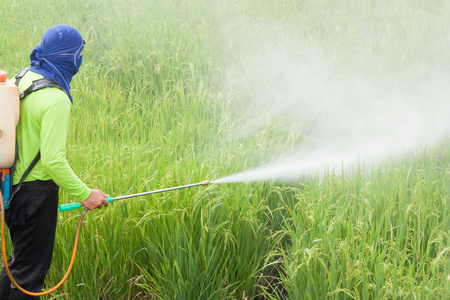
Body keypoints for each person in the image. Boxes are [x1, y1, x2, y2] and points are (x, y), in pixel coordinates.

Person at [0, 24, 109, 299]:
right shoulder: (56, 99)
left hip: (10, 187)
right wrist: (86, 194)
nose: (80, 59)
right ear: (67, 56)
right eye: (78, 54)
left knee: (17, 266)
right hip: (36, 196)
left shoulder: (23, 76)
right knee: (28, 280)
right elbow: (52, 160)